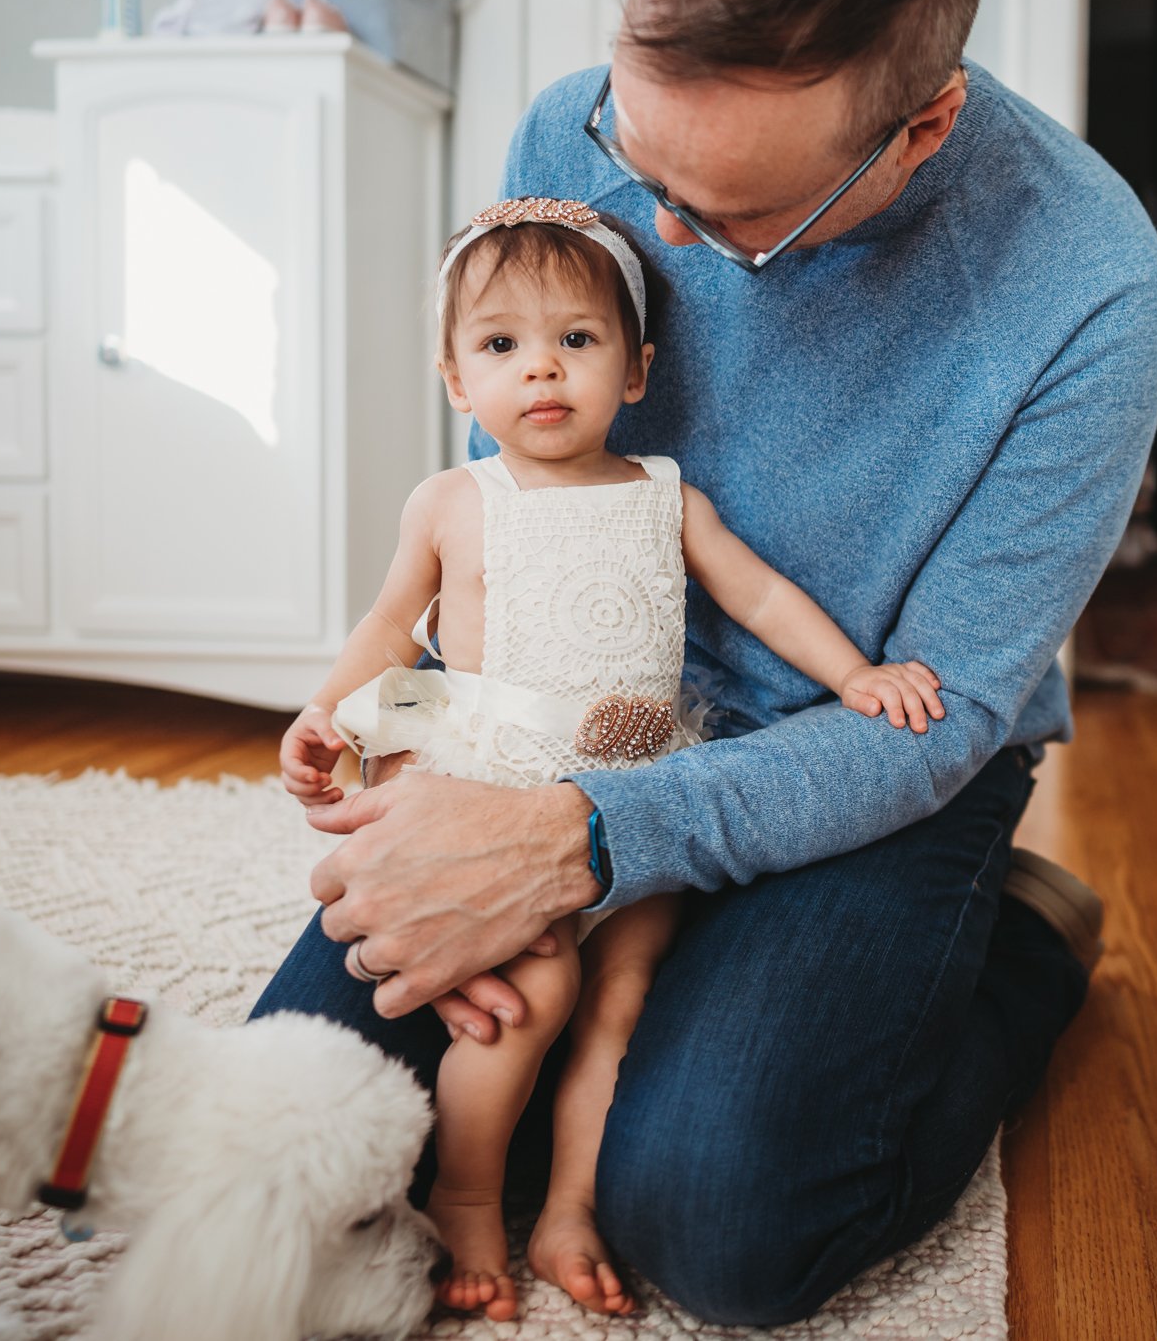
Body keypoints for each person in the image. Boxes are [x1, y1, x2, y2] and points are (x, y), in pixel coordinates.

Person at [251, 0, 1157, 1327]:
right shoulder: (571, 135)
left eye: (729, 220)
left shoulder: (1088, 290)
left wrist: (583, 843)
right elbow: (521, 502)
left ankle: (1016, 940)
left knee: (724, 1229)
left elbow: (933, 715)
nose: (657, 237)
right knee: (311, 1123)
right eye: (638, 163)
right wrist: (447, 780)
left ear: (922, 122)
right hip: (576, 711)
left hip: (862, 751)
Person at [275, 196, 944, 1320]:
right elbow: (394, 630)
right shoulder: (453, 501)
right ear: (455, 381)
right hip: (496, 776)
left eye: (575, 343)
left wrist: (852, 679)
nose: (541, 373)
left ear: (633, 371)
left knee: (620, 1001)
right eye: (501, 348)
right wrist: (328, 712)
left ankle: (570, 1204)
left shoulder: (666, 494)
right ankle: (471, 1195)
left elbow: (764, 597)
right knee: (526, 998)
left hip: (636, 791)